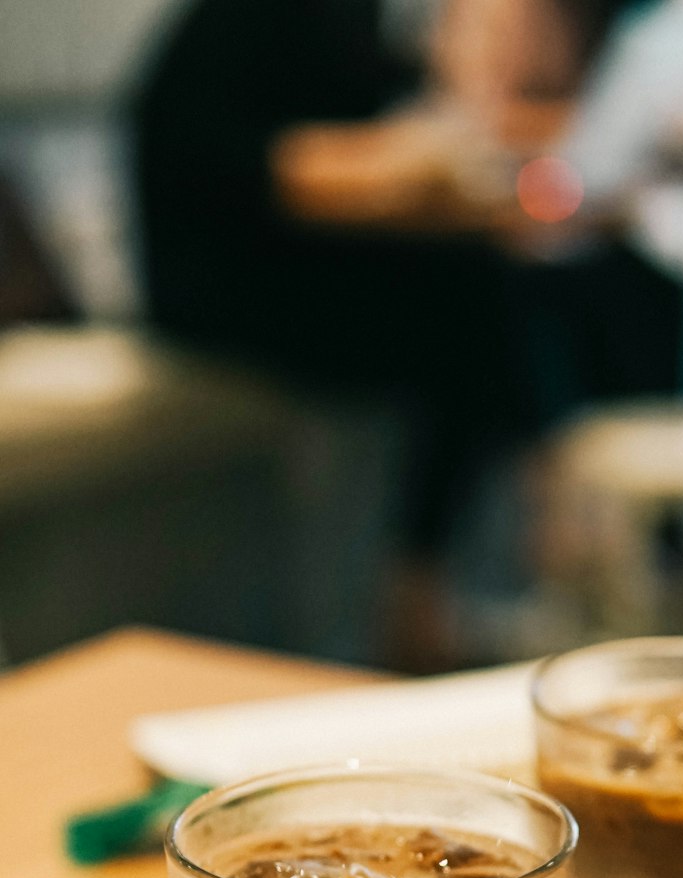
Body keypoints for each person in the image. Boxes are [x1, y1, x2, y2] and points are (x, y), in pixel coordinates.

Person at [131, 0, 635, 668]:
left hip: (300, 259)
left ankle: (480, 563)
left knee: (551, 285)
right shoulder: (265, 20)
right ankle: (435, 586)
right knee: (480, 304)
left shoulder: (358, 21)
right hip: (219, 288)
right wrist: (413, 167)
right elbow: (246, 171)